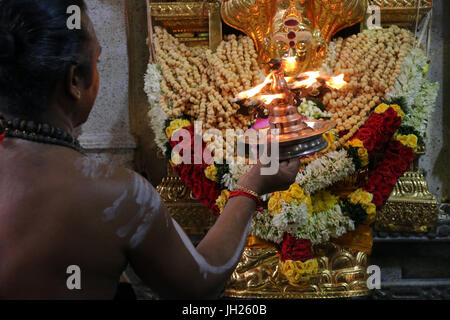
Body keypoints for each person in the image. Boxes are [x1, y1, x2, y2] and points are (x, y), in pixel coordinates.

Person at [0, 0, 300, 299]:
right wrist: (252, 185)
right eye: (98, 61)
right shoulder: (116, 194)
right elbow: (199, 282)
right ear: (75, 79)